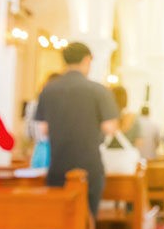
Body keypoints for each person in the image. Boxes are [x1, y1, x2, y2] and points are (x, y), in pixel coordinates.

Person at [35, 42, 119, 217]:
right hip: (89, 165)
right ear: (87, 60)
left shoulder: (49, 89)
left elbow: (43, 129)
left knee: (60, 219)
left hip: (58, 165)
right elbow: (110, 127)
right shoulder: (98, 91)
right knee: (86, 219)